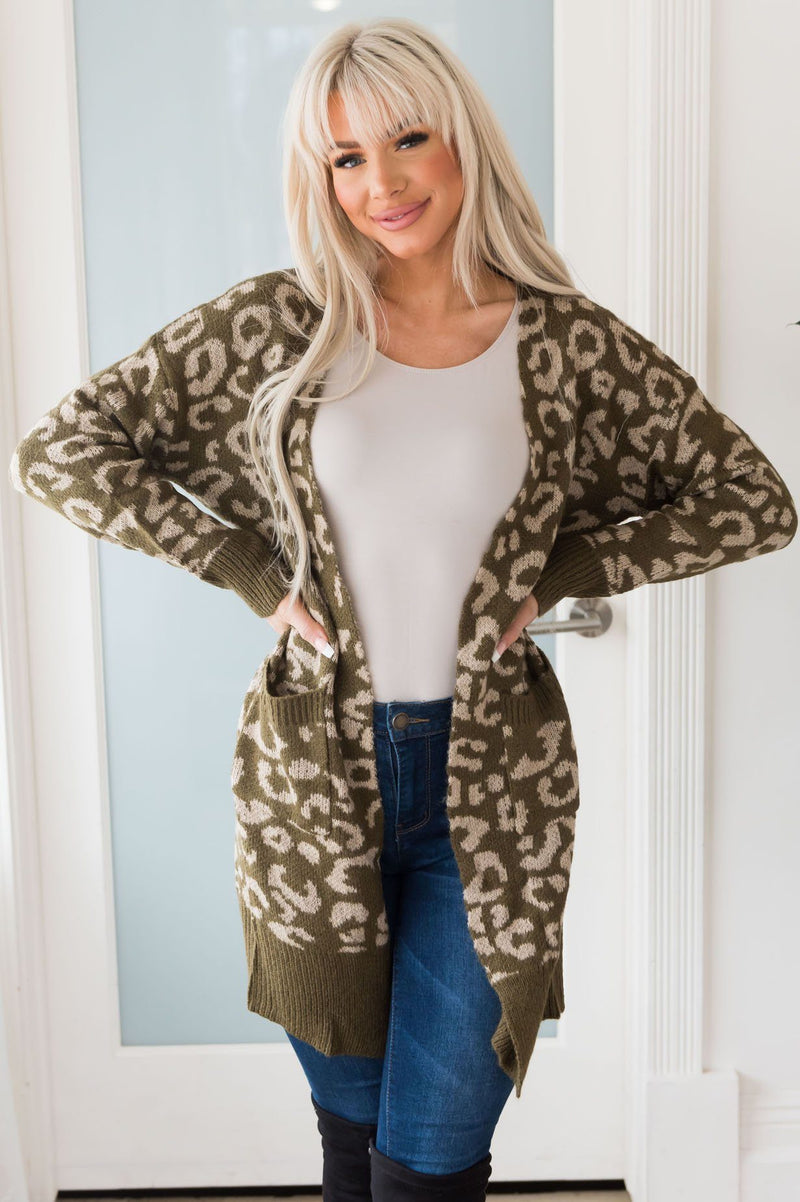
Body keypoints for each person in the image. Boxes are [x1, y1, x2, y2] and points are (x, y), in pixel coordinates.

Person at [9, 16, 797, 1202]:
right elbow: (61, 448)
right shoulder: (278, 325)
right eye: (344, 157)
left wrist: (567, 569)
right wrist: (240, 563)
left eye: (406, 140)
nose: (379, 183)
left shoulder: (564, 344)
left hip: (493, 795)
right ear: (318, 175)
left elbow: (750, 500)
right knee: (352, 1144)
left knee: (430, 1163)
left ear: (460, 139)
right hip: (311, 788)